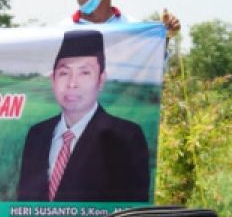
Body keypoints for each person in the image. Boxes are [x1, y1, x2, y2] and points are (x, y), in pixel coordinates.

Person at [17, 29, 150, 206]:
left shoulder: (125, 136)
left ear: (101, 80)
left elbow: (131, 209)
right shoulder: (37, 134)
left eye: (84, 73)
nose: (72, 83)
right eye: (64, 73)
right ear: (53, 80)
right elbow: (24, 202)